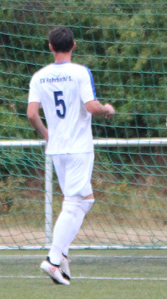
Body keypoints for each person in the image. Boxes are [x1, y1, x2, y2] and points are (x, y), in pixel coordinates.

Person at [27, 27, 115, 285]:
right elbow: (91, 106)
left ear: (50, 47)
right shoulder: (80, 72)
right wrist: (106, 109)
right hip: (78, 148)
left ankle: (62, 254)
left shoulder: (39, 76)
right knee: (73, 204)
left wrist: (46, 134)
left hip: (57, 150)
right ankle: (54, 260)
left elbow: (32, 114)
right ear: (74, 46)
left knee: (85, 200)